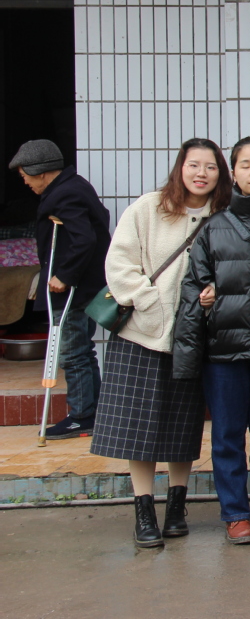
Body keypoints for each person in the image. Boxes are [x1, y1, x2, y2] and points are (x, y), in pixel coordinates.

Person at [93, 139, 232, 547]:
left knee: (181, 426)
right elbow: (119, 264)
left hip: (192, 338)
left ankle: (175, 507)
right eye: (194, 165)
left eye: (210, 166)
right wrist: (150, 304)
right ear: (179, 168)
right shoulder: (148, 208)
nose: (201, 173)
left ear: (221, 174)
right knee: (139, 429)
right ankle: (143, 511)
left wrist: (215, 293)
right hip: (140, 333)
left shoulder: (223, 216)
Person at [172, 136, 250, 545]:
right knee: (226, 436)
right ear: (234, 173)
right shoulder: (213, 227)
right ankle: (236, 514)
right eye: (245, 165)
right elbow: (193, 285)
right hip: (222, 351)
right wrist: (204, 298)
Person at [7, 139, 111, 440]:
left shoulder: (65, 194)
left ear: (39, 171)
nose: (24, 181)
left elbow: (85, 239)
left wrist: (64, 275)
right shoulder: (75, 185)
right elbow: (102, 218)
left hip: (73, 291)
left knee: (73, 354)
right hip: (85, 287)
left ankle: (81, 416)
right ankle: (92, 412)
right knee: (83, 351)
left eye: (24, 175)